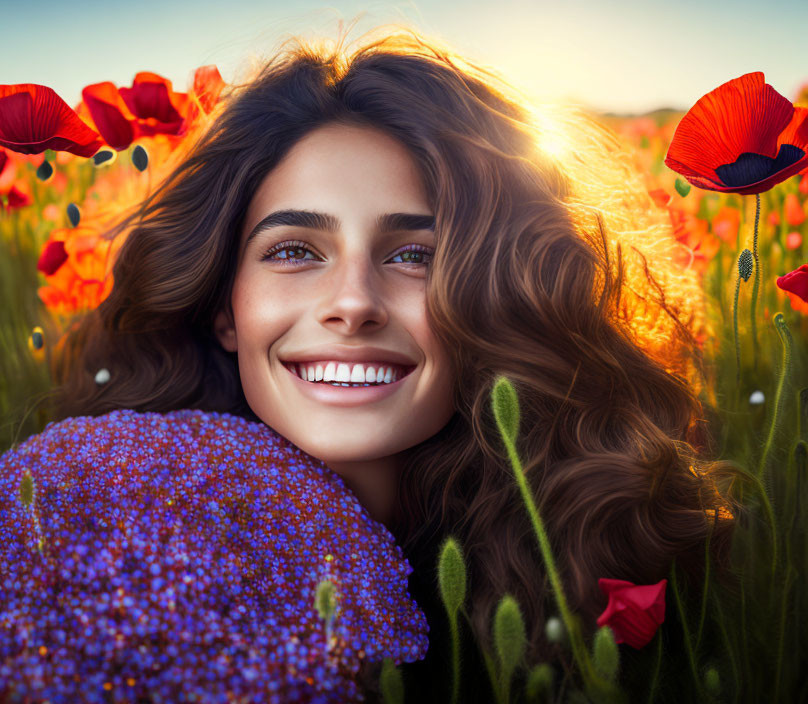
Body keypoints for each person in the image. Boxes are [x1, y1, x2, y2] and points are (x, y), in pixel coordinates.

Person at [48, 24, 743, 702]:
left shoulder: (610, 562)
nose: (353, 303)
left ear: (496, 299)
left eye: (416, 256)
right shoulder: (96, 553)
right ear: (225, 308)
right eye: (294, 250)